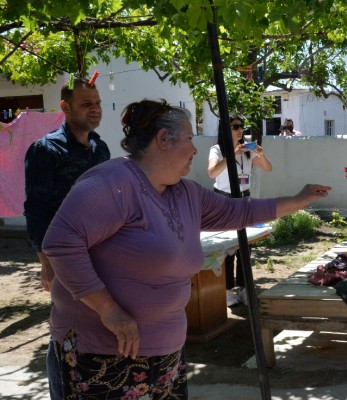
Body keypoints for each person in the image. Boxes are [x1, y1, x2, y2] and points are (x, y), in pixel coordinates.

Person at [41, 99, 330, 398]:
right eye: (190, 139)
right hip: (101, 356)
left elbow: (240, 211)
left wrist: (298, 200)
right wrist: (109, 310)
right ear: (163, 140)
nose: (194, 149)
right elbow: (61, 243)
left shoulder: (185, 192)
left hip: (165, 355)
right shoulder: (112, 183)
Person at [23, 76, 110, 400]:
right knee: (65, 331)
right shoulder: (45, 150)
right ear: (65, 107)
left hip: (100, 255)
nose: (95, 109)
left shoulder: (101, 148)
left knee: (93, 324)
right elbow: (36, 210)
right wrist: (46, 263)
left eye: (97, 103)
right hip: (65, 257)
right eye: (86, 104)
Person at [208, 116, 272, 306]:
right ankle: (227, 290)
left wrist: (260, 154)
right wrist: (231, 155)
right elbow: (212, 172)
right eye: (235, 126)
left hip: (244, 199)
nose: (240, 130)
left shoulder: (247, 149)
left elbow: (268, 169)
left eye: (241, 126)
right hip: (224, 200)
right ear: (225, 130)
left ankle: (244, 288)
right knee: (227, 246)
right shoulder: (217, 149)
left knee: (245, 245)